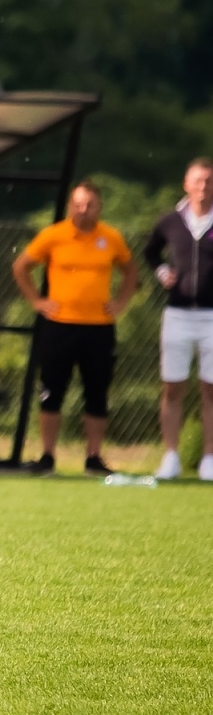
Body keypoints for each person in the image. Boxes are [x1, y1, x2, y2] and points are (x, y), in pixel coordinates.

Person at [12, 181, 138, 475]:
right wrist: (37, 301)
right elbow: (21, 266)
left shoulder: (110, 237)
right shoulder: (53, 235)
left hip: (98, 327)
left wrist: (121, 302)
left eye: (89, 205)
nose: (83, 210)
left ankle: (93, 457)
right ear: (70, 206)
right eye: (78, 204)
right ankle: (47, 456)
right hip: (59, 326)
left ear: (99, 207)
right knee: (52, 391)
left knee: (97, 392)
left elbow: (130, 271)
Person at [146, 157, 213, 481]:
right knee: (173, 387)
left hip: (212, 316)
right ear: (186, 184)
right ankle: (170, 456)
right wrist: (161, 271)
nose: (203, 187)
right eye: (198, 180)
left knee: (210, 389)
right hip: (178, 315)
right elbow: (150, 252)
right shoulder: (170, 221)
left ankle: (209, 458)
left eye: (209, 181)